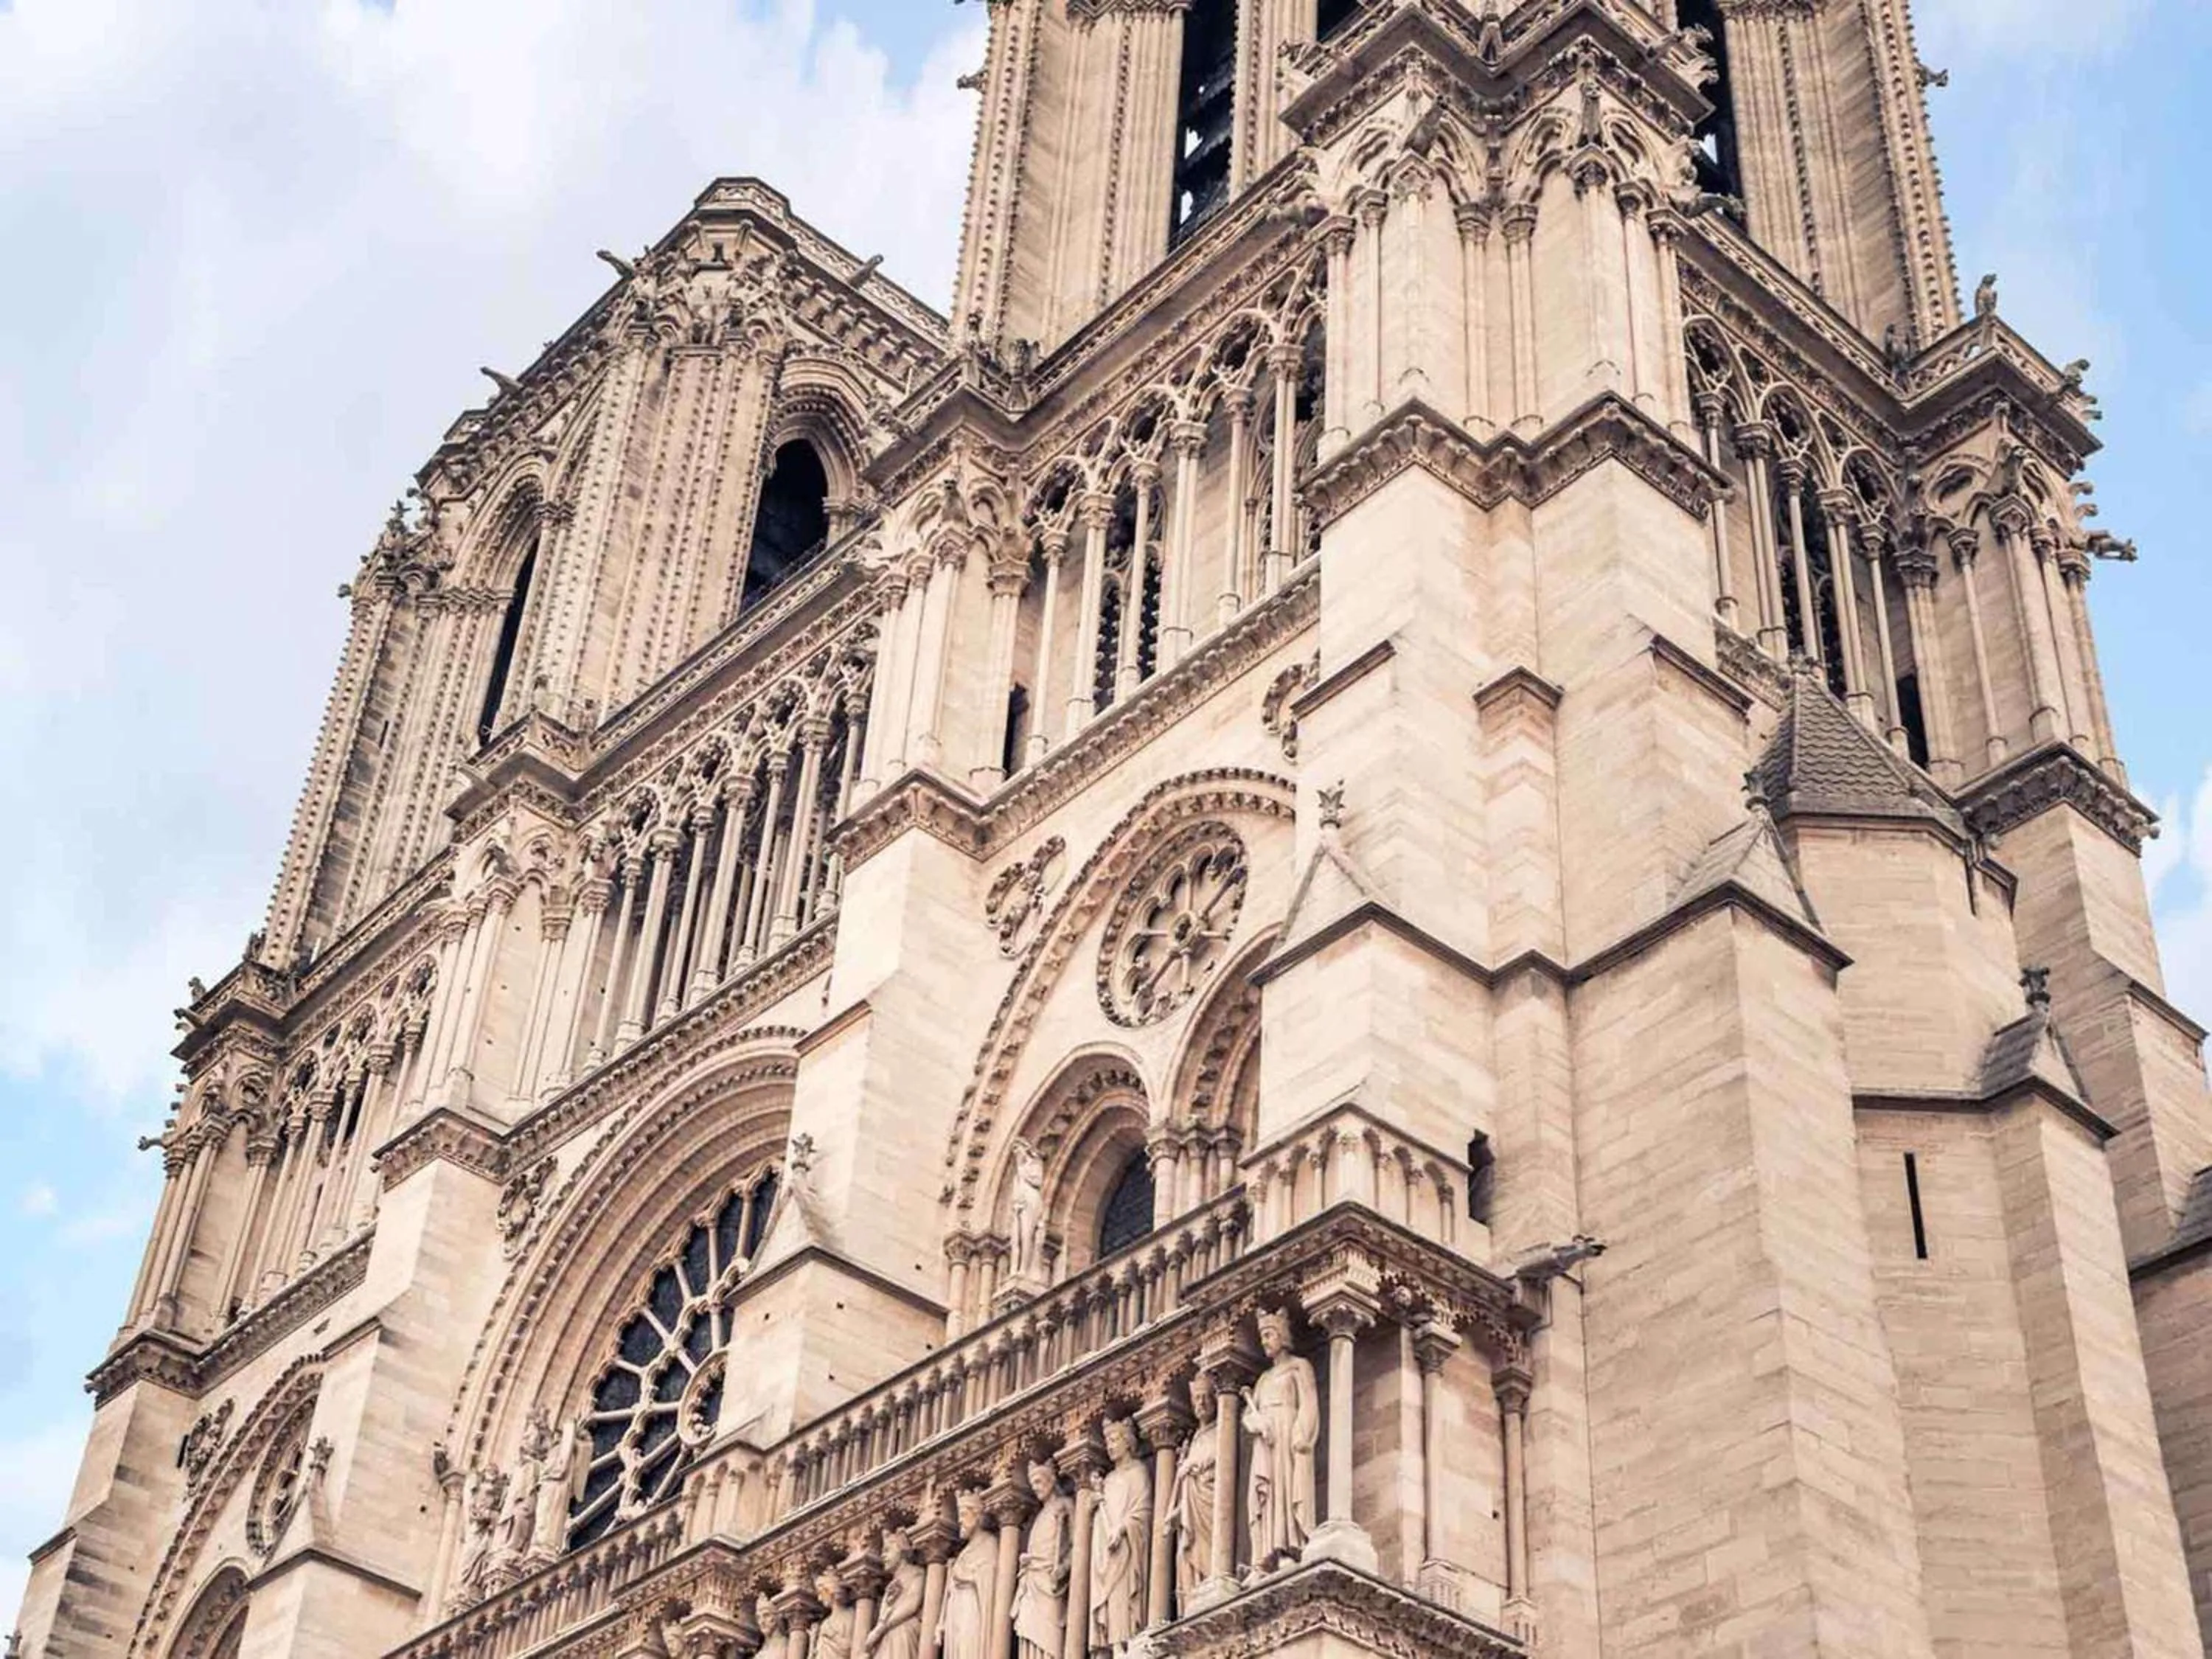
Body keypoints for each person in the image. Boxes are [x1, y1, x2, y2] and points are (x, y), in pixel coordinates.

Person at [1242, 1308, 1318, 1571]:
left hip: (1287, 1432)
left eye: (1269, 1334)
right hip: (1266, 1439)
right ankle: (1268, 1552)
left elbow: (1309, 1403)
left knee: (1286, 1487)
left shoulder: (1299, 1366)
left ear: (1282, 1336)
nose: (1265, 1341)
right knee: (1267, 1493)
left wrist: (1301, 1433)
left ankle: (1288, 1545)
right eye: (1262, 1336)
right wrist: (1257, 1423)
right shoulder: (1263, 1379)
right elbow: (1248, 1415)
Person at [1089, 1419, 1152, 1651]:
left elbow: (1143, 1509)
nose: (1110, 1446)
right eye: (1107, 1442)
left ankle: (1128, 1641)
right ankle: (1114, 1646)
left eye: (1115, 1440)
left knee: (1123, 1592)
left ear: (1128, 1441)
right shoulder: (1108, 1481)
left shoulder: (1138, 1472)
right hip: (1105, 1550)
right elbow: (1096, 1520)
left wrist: (1123, 1528)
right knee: (1111, 1595)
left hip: (1126, 1543)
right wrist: (1094, 1503)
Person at [1011, 1458, 1071, 1659]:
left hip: (1051, 1582)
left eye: (1038, 1481)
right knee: (1029, 1632)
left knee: (1049, 1634)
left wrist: (1063, 1567)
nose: (1035, 1488)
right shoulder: (1038, 1517)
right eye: (1033, 1483)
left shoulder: (1064, 1505)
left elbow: (1078, 1544)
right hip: (1032, 1582)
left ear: (1052, 1480)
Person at [1169, 1373, 1220, 1607]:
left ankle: (1212, 1580)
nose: (1200, 1405)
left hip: (1209, 1500)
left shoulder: (1221, 1429)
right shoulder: (1196, 1438)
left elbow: (1221, 1458)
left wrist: (1193, 1465)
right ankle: (1191, 1597)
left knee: (1206, 1548)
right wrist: (1178, 1510)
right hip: (1191, 1508)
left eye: (1205, 1398)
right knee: (1184, 1553)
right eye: (1196, 1399)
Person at [938, 1489, 996, 1659]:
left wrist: (964, 1576)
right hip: (956, 1609)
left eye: (963, 1515)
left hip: (972, 1607)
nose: (960, 1521)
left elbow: (989, 1580)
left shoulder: (989, 1543)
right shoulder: (963, 1553)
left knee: (969, 1648)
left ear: (977, 1516)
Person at [864, 1531, 925, 1659]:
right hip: (887, 1637)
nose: (883, 1556)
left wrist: (881, 1629)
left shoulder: (916, 1573)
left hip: (903, 1633)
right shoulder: (889, 1586)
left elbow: (912, 1604)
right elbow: (884, 1615)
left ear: (901, 1551)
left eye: (887, 1550)